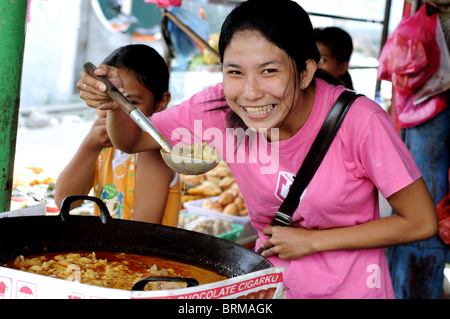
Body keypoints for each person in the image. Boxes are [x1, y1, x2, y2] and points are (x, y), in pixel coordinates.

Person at [77, 0, 438, 299]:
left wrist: (312, 243)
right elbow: (136, 140)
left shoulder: (360, 121)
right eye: (234, 72)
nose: (249, 93)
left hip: (354, 290)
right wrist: (113, 103)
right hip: (268, 289)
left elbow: (420, 221)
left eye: (268, 71)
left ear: (306, 72)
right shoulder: (219, 107)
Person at [55, 44, 180, 226]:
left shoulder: (154, 153)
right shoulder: (102, 147)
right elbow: (66, 201)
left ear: (161, 103)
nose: (117, 111)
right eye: (109, 100)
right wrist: (90, 146)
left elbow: (142, 233)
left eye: (130, 102)